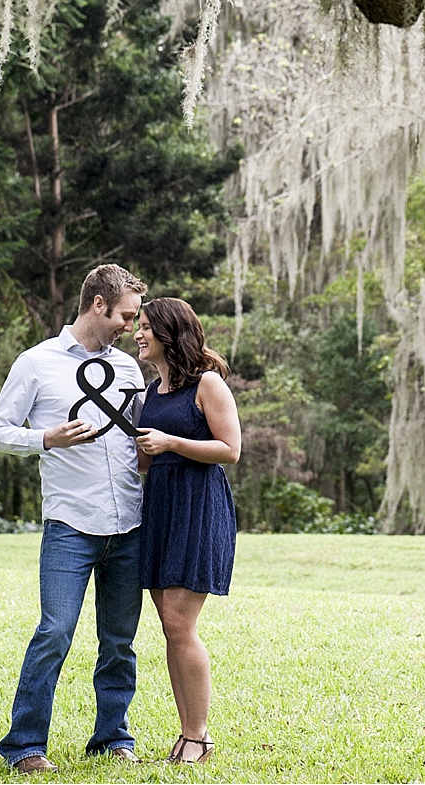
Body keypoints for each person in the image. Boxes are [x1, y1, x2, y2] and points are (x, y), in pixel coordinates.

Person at [0, 264, 148, 775]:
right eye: (126, 315)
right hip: (70, 526)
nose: (131, 326)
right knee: (54, 632)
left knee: (119, 642)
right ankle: (26, 746)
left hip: (130, 525)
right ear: (98, 305)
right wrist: (46, 439)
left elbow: (139, 438)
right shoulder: (36, 363)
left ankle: (112, 737)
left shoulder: (129, 369)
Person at [132, 297, 242, 764]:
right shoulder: (148, 393)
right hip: (160, 506)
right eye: (136, 325)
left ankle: (197, 735)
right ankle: (188, 733)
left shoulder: (207, 384)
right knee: (169, 625)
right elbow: (142, 463)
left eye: (144, 326)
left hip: (198, 506)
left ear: (169, 332)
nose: (137, 333)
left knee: (181, 623)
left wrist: (171, 441)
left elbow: (230, 449)